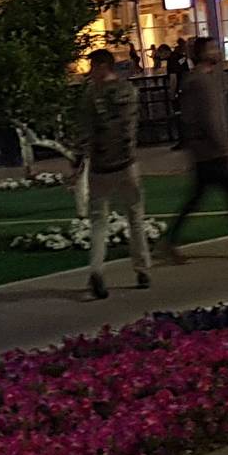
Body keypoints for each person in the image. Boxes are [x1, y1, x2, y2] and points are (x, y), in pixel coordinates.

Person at [163, 38, 228, 262]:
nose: (217, 52)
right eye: (212, 49)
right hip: (210, 150)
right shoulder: (200, 81)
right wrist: (221, 144)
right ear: (202, 54)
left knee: (198, 196)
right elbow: (207, 118)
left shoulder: (205, 79)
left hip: (205, 149)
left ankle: (169, 241)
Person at [77, 48, 151, 298]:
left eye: (92, 67)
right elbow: (131, 128)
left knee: (98, 222)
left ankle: (97, 271)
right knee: (135, 217)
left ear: (100, 67)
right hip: (127, 164)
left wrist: (81, 158)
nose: (90, 73)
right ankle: (142, 269)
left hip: (100, 167)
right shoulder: (127, 91)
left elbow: (85, 130)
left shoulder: (90, 96)